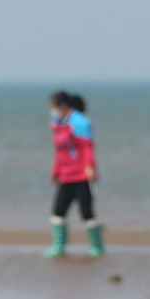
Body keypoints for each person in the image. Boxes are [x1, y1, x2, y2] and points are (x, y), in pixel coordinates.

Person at [45, 91, 103, 258]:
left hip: (82, 175)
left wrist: (90, 167)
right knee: (58, 212)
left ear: (62, 106)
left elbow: (87, 147)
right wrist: (55, 170)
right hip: (65, 174)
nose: (52, 110)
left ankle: (97, 247)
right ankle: (58, 247)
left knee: (86, 212)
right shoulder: (59, 124)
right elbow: (59, 152)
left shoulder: (80, 122)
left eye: (53, 107)